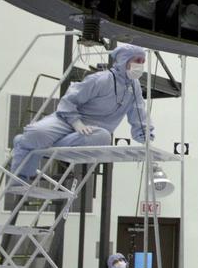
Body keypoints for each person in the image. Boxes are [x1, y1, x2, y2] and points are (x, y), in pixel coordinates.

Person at [9, 44, 154, 185]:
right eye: (137, 61)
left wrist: (145, 137)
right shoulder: (101, 79)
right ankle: (21, 173)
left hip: (91, 131)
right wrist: (76, 122)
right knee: (37, 132)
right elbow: (70, 99)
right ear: (124, 60)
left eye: (142, 62)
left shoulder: (134, 88)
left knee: (103, 137)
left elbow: (139, 114)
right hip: (66, 120)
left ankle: (34, 144)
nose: (140, 65)